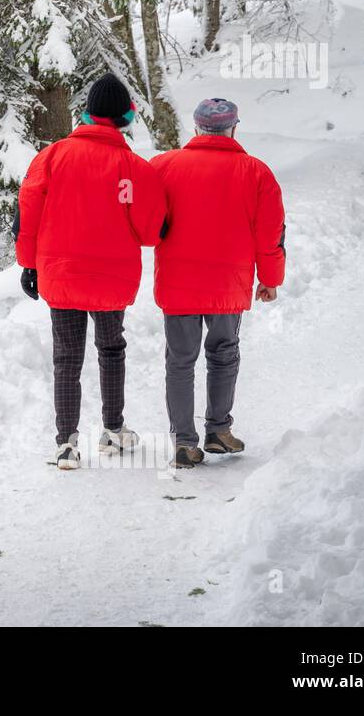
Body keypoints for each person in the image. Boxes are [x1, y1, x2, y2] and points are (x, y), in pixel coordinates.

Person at [16, 73, 166, 470]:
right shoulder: (134, 168)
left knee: (66, 357)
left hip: (60, 272)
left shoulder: (51, 157)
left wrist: (28, 265)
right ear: (126, 116)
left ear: (85, 114)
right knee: (111, 349)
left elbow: (28, 216)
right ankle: (113, 431)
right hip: (111, 277)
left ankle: (66, 444)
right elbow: (150, 232)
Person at [150, 98, 285, 469]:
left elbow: (146, 220)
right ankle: (218, 431)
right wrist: (271, 278)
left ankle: (183, 442)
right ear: (234, 129)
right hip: (228, 282)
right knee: (223, 355)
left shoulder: (162, 166)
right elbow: (270, 233)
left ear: (195, 128)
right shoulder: (256, 172)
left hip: (178, 281)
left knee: (180, 361)